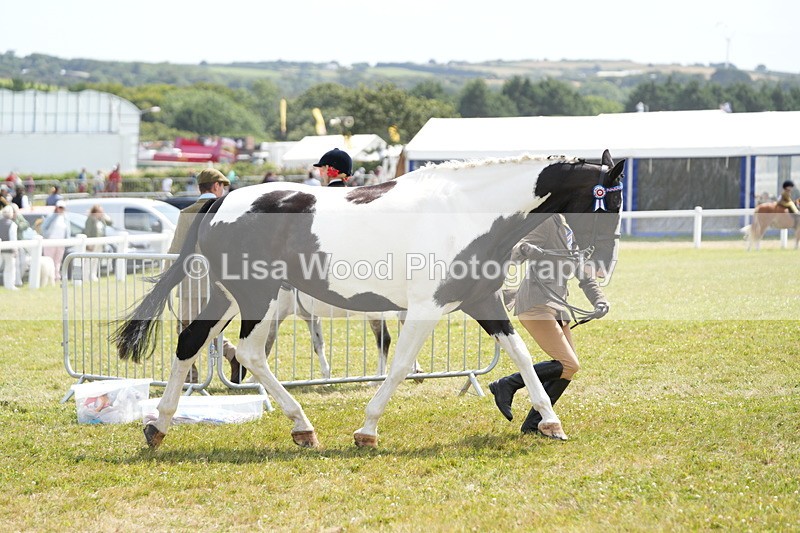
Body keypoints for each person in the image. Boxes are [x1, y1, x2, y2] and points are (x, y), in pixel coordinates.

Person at [488, 214, 610, 435]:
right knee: (569, 364)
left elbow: (584, 275)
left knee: (567, 369)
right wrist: (526, 249)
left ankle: (533, 424)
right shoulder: (545, 221)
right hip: (536, 304)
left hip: (558, 307)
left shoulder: (571, 231)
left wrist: (599, 301)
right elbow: (516, 249)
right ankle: (507, 384)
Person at [169, 168, 244, 383]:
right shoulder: (226, 213)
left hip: (191, 283)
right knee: (211, 327)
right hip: (221, 283)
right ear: (217, 186)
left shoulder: (187, 213)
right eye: (223, 187)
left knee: (186, 328)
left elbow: (175, 250)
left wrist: (165, 278)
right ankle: (232, 355)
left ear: (199, 188)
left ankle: (190, 377)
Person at [41, 200, 70, 282]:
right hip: (50, 242)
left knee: (58, 261)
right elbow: (44, 227)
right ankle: (49, 278)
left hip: (61, 243)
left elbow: (67, 231)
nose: (61, 209)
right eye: (59, 207)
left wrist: (67, 240)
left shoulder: (65, 218)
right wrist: (46, 236)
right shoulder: (51, 216)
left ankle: (56, 277)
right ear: (56, 208)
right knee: (49, 260)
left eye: (62, 208)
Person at [82, 205, 113, 281]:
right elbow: (88, 231)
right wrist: (89, 244)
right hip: (92, 243)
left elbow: (110, 223)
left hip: (100, 244)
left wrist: (105, 216)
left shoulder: (101, 219)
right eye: (100, 211)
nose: (101, 213)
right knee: (89, 261)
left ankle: (93, 275)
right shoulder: (90, 219)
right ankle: (86, 277)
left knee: (96, 260)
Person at [0, 205, 19, 290]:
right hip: (8, 250)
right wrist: (15, 250)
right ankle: (10, 285)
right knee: (9, 268)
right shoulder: (12, 224)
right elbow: (13, 238)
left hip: (1, 249)